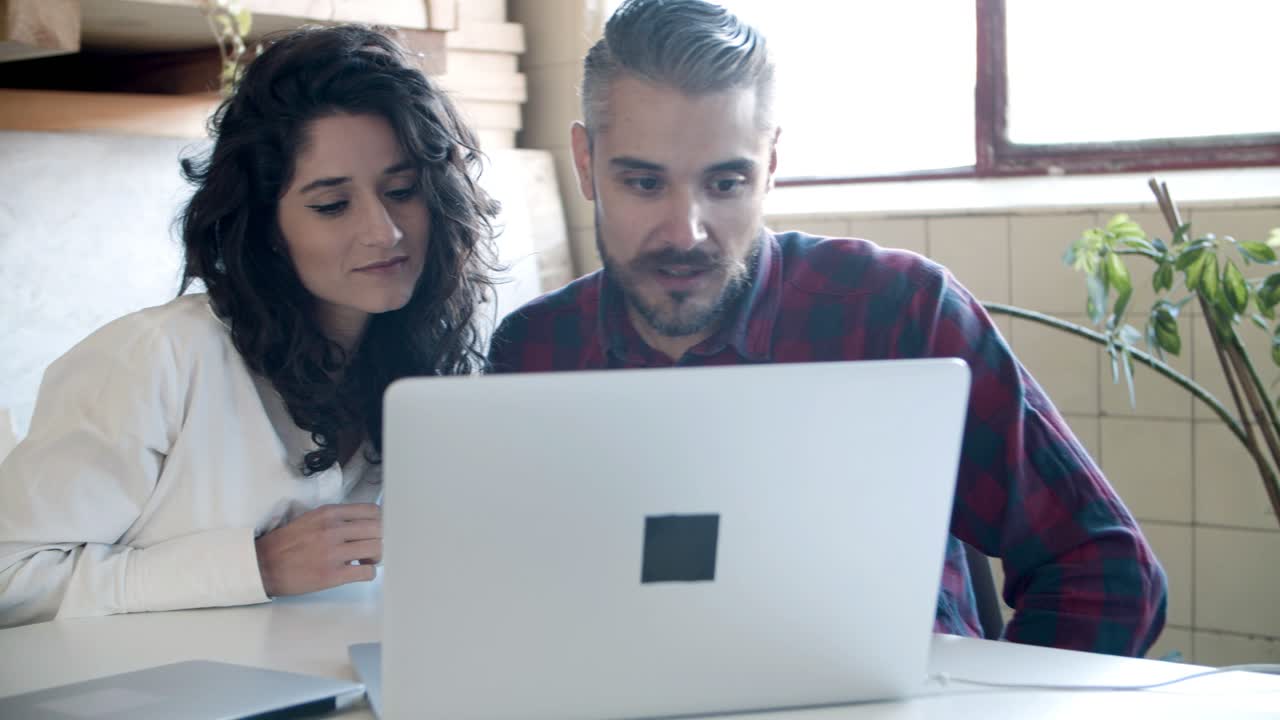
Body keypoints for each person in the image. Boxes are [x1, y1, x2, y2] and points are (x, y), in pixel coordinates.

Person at [487, 0, 1167, 656]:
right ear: (585, 163)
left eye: (724, 184)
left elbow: (1108, 573)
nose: (685, 233)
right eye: (644, 183)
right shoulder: (535, 352)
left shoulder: (898, 314)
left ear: (770, 166)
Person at [0, 25, 499, 627]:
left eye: (402, 190)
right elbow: (10, 580)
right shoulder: (155, 360)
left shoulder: (429, 366)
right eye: (332, 205)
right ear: (266, 226)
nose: (384, 231)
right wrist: (254, 566)